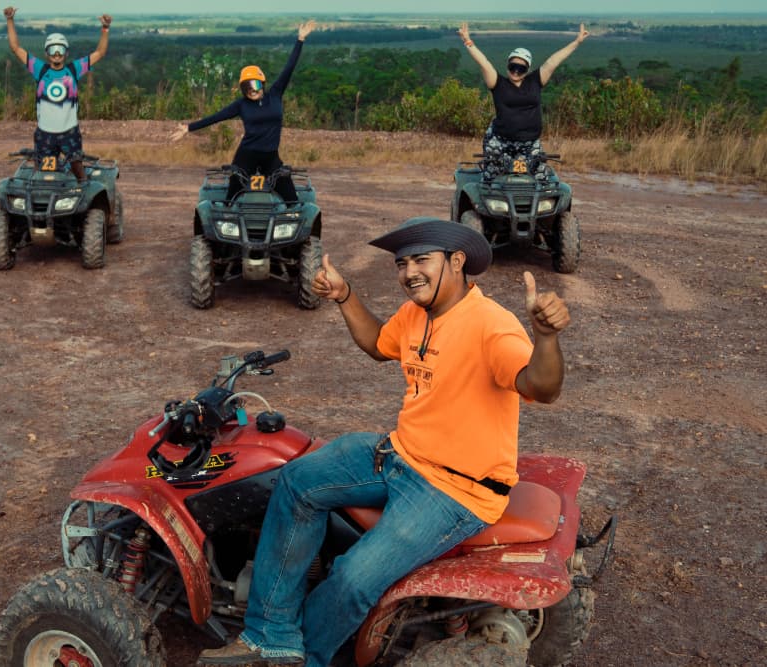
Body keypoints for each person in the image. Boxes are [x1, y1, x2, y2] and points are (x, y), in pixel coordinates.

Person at [196, 217, 570, 667]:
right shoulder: (418, 314)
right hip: (398, 455)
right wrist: (345, 296)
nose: (410, 272)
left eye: (422, 260)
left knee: (354, 578)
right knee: (296, 481)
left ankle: (307, 657)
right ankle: (270, 636)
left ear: (456, 262)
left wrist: (545, 337)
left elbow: (542, 387)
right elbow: (378, 343)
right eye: (402, 263)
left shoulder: (493, 326)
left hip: (454, 491)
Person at [171, 21, 316, 205]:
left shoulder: (276, 94)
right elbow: (216, 117)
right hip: (246, 155)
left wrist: (300, 39)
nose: (252, 90)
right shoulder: (241, 105)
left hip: (271, 157)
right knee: (232, 197)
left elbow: (289, 67)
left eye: (255, 85)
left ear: (262, 84)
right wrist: (189, 128)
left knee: (291, 199)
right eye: (246, 87)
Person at [458, 22, 589, 179]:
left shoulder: (535, 81)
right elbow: (484, 63)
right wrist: (468, 41)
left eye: (521, 68)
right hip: (501, 143)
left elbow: (553, 61)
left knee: (542, 181)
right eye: (513, 66)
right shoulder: (498, 83)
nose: (516, 71)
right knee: (493, 180)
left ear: (527, 70)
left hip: (530, 143)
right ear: (508, 65)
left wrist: (577, 42)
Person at [3, 6, 112, 183]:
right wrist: (9, 20)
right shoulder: (39, 69)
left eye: (60, 49)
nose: (57, 53)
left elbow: (100, 52)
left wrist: (105, 29)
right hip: (45, 134)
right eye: (53, 49)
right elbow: (16, 48)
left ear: (66, 52)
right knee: (43, 175)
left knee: (78, 170)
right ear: (47, 53)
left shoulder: (74, 70)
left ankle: (85, 201)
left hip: (69, 132)